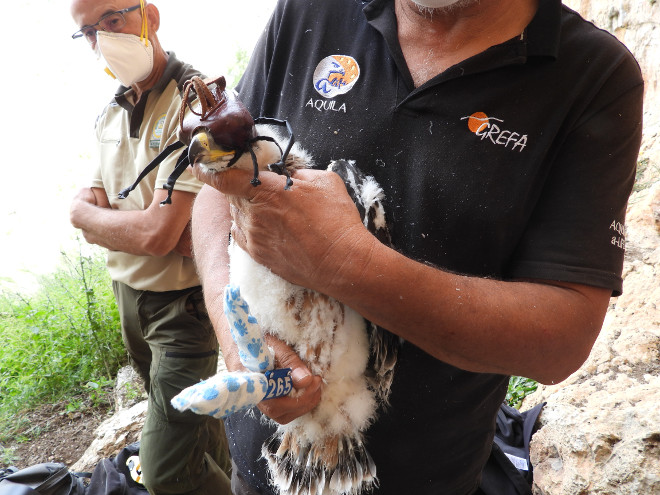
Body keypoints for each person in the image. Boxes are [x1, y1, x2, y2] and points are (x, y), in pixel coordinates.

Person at [190, 0, 644, 493]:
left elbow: (563, 337)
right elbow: (219, 193)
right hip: (260, 473)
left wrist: (343, 262)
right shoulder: (308, 10)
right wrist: (238, 341)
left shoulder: (594, 75)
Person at [68, 1, 232, 494]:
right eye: (88, 32)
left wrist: (88, 220)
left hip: (182, 309)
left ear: (150, 16)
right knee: (198, 432)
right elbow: (110, 205)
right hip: (129, 299)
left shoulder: (199, 102)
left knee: (165, 471)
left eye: (111, 20)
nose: (102, 38)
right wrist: (119, 220)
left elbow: (157, 234)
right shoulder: (111, 110)